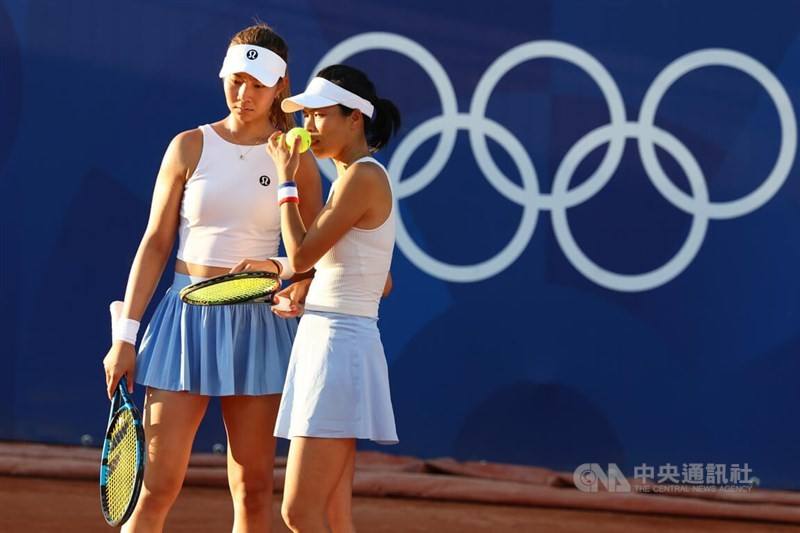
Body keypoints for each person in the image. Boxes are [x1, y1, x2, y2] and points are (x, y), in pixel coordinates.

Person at [102, 23, 322, 532]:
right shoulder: (187, 146)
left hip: (260, 324)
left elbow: (310, 254)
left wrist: (291, 277)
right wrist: (124, 337)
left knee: (252, 490)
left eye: (257, 84)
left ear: (281, 86)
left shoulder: (297, 158)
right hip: (184, 319)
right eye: (235, 80)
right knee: (155, 485)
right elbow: (156, 242)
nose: (243, 94)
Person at [267, 64, 400, 533]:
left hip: (335, 352)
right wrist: (308, 289)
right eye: (306, 117)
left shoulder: (360, 178)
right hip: (332, 342)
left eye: (321, 116)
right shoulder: (355, 179)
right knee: (335, 516)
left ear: (355, 119)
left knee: (298, 512)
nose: (309, 128)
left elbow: (302, 252)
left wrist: (286, 181)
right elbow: (379, 280)